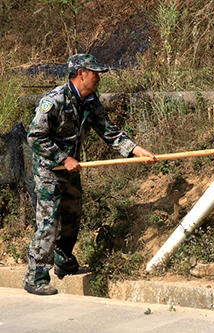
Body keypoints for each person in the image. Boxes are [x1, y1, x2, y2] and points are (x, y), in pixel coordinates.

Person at [25, 54, 157, 295]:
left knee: (73, 213)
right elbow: (35, 137)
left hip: (71, 168)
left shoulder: (91, 102)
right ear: (80, 73)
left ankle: (64, 260)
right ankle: (36, 277)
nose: (98, 77)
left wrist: (136, 150)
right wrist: (64, 158)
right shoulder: (53, 101)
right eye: (94, 72)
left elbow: (109, 132)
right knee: (49, 221)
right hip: (49, 169)